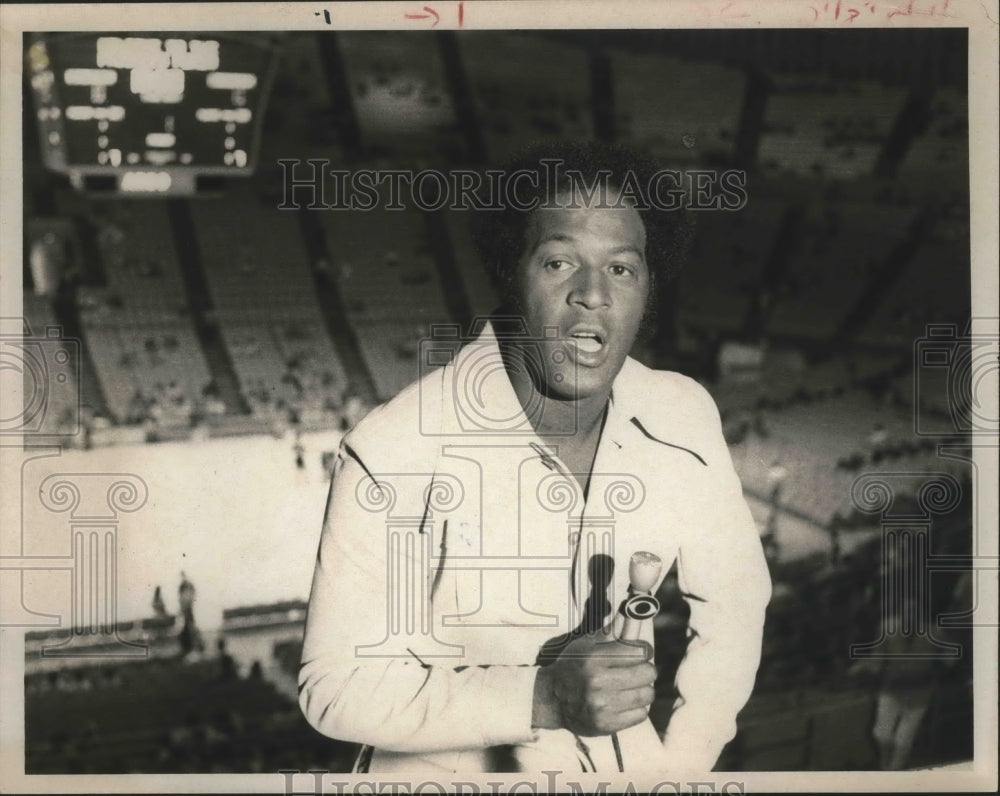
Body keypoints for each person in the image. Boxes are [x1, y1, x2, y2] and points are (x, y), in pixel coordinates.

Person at [299, 142, 772, 774]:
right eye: (558, 263)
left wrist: (683, 764)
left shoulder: (684, 413)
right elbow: (332, 687)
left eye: (622, 269)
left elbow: (738, 602)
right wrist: (541, 696)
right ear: (509, 273)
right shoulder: (394, 448)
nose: (592, 294)